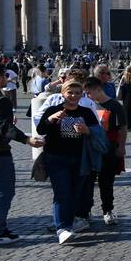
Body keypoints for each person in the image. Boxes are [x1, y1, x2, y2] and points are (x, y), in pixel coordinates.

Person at [37, 78, 99, 244]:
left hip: (80, 159)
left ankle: (68, 224)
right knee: (62, 193)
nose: (73, 95)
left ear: (82, 94)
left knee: (74, 193)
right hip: (56, 158)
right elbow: (40, 129)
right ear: (63, 93)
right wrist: (51, 119)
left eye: (77, 93)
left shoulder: (86, 112)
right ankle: (62, 228)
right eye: (70, 92)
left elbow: (97, 132)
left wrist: (87, 130)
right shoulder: (53, 109)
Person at [0, 62, 42, 243]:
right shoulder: (0, 100)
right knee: (3, 192)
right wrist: (27, 139)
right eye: (4, 75)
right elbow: (5, 129)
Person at [77, 77, 127, 229]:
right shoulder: (87, 106)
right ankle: (87, 210)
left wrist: (121, 147)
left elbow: (123, 128)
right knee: (88, 181)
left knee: (106, 181)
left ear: (98, 89)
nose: (87, 96)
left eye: (89, 92)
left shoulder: (115, 106)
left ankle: (108, 210)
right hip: (90, 149)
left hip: (109, 147)